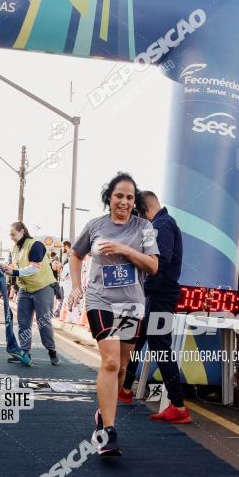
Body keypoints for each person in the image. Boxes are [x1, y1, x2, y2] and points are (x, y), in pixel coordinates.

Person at [69, 172, 159, 456]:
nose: (124, 201)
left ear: (135, 202)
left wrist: (123, 249)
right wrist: (75, 286)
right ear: (109, 197)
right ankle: (108, 430)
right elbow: (76, 254)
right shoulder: (95, 225)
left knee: (121, 367)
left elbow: (153, 266)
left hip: (131, 303)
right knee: (109, 362)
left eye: (130, 197)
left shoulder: (144, 228)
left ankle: (102, 412)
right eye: (119, 195)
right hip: (101, 301)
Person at [119, 191, 190, 424]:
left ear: (143, 210)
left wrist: (139, 290)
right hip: (156, 295)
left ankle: (178, 406)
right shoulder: (160, 224)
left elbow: (159, 266)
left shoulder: (162, 225)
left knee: (160, 347)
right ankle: (126, 389)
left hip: (161, 296)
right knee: (136, 339)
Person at [3, 222, 60, 365]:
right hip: (25, 289)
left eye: (13, 234)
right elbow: (14, 266)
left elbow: (34, 268)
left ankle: (51, 350)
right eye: (10, 235)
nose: (11, 238)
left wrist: (15, 272)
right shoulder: (14, 248)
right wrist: (7, 269)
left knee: (43, 322)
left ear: (22, 231)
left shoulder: (36, 245)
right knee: (23, 323)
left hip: (43, 287)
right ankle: (25, 353)